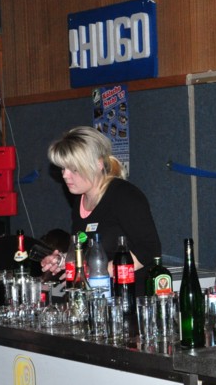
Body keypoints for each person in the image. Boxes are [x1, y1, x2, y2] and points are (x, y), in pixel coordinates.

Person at [40, 126, 161, 295]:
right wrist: (65, 261)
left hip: (130, 298)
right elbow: (90, 252)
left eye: (73, 168)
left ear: (98, 164)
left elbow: (149, 249)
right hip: (98, 299)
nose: (65, 175)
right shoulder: (79, 199)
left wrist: (98, 273)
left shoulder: (124, 195)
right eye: (62, 168)